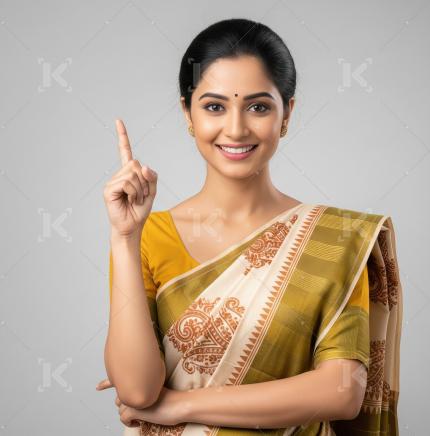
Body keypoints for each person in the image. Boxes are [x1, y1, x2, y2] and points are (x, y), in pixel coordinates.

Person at [98, 18, 401, 435]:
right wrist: (123, 237)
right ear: (187, 112)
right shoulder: (148, 236)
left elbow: (341, 391)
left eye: (258, 106)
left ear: (287, 113)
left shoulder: (336, 238)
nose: (236, 128)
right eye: (214, 106)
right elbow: (137, 389)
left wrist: (178, 406)